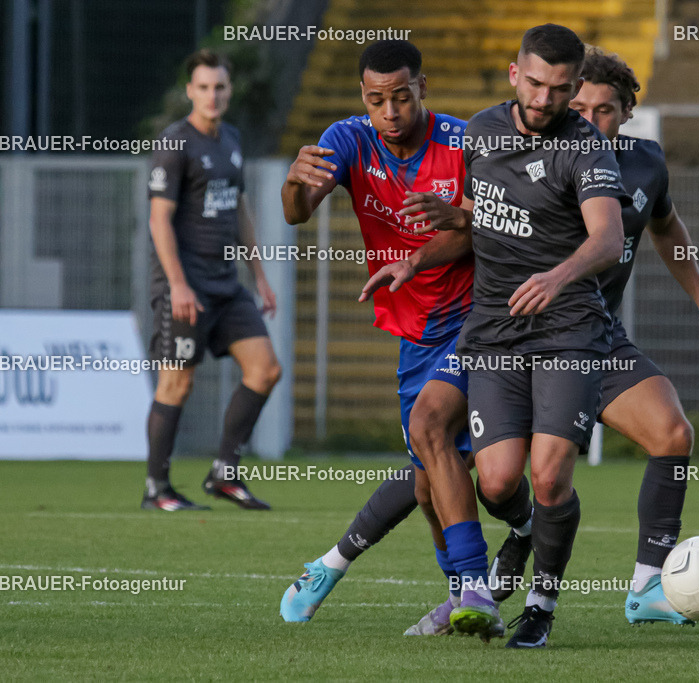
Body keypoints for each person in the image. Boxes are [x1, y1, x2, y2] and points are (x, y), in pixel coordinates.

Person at [482, 45, 699, 626]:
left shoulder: (645, 162)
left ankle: (647, 587)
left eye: (607, 109)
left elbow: (667, 227)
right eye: (581, 105)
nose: (592, 117)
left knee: (672, 433)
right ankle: (518, 535)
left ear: (627, 114)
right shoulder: (529, 156)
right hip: (518, 341)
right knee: (497, 482)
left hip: (595, 338)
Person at [278, 40, 500, 639]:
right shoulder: (348, 139)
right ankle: (463, 592)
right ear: (363, 99)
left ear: (422, 87)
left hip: (479, 319)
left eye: (401, 95)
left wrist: (416, 258)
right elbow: (297, 213)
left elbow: (487, 231)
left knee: (437, 437)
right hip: (414, 332)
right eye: (377, 99)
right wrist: (294, 183)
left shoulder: (463, 143)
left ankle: (480, 580)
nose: (391, 110)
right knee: (429, 479)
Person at [452, 24, 630, 648]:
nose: (544, 98)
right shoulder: (478, 132)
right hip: (495, 328)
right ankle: (525, 530)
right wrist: (415, 259)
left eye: (559, 88)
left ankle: (541, 605)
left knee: (551, 475)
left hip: (569, 328)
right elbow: (476, 214)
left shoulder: (587, 149)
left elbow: (608, 238)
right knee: (497, 483)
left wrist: (559, 275)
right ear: (513, 74)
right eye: (534, 83)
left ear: (575, 87)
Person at [142, 49, 280, 512]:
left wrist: (259, 275)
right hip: (187, 287)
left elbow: (238, 209)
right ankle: (157, 488)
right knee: (176, 384)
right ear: (190, 92)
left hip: (227, 285)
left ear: (229, 89)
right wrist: (178, 285)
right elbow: (159, 220)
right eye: (203, 87)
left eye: (219, 87)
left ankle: (224, 474)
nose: (212, 95)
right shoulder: (175, 143)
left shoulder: (232, 139)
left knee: (265, 370)